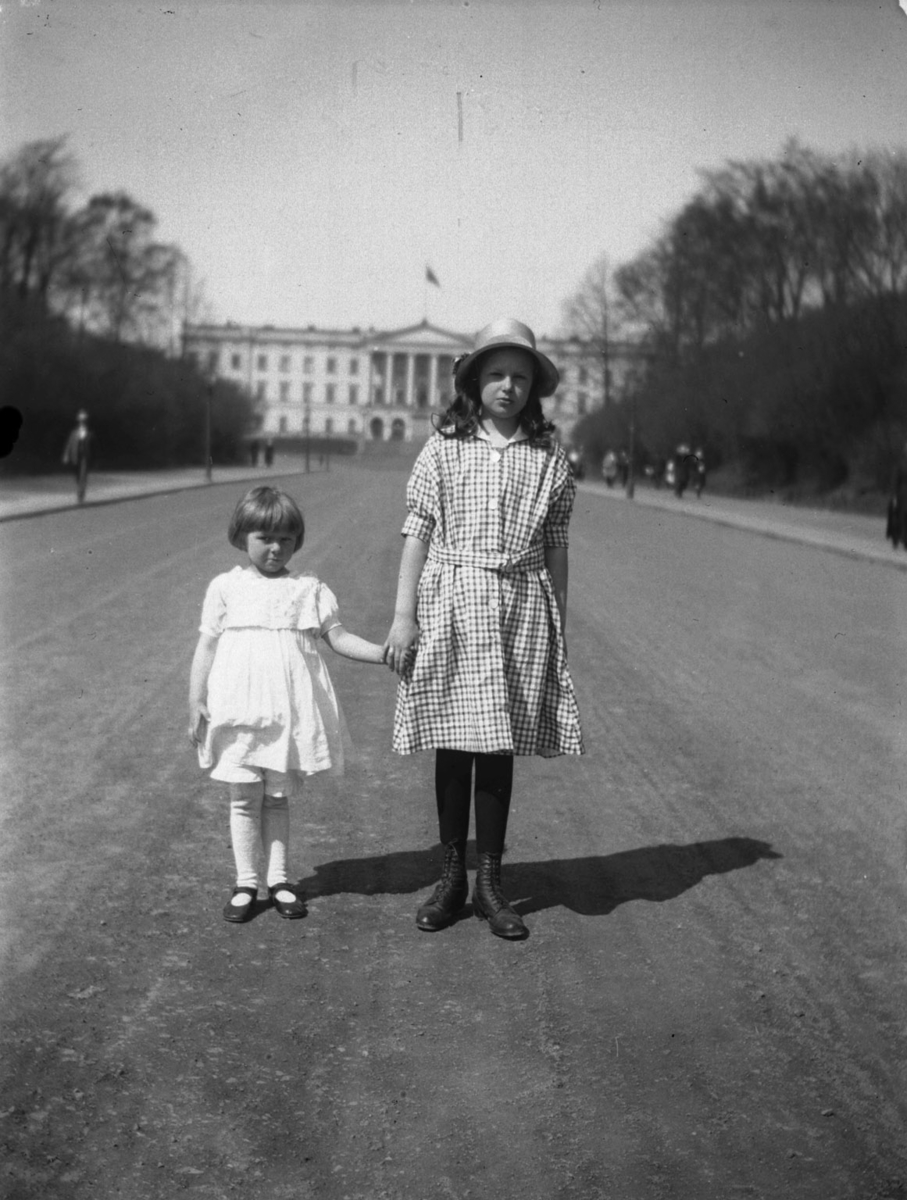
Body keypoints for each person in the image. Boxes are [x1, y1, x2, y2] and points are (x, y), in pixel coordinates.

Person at [383, 318, 584, 941]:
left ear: (534, 389)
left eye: (520, 377)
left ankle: (492, 882)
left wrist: (560, 624)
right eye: (496, 374)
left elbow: (556, 547)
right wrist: (403, 614)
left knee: (497, 744)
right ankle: (451, 878)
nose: (508, 387)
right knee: (455, 739)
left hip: (519, 603)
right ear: (474, 381)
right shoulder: (445, 446)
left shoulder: (549, 457)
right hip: (452, 601)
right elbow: (418, 531)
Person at [188, 485, 387, 923]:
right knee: (243, 797)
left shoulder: (308, 589)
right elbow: (206, 645)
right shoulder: (226, 587)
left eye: (286, 539)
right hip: (237, 710)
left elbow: (338, 638)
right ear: (242, 537)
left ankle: (278, 880)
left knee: (276, 799)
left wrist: (383, 652)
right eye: (264, 538)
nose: (275, 548)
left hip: (286, 714)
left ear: (297, 540)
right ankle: (246, 883)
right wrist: (195, 699)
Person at [62, 410, 93, 503]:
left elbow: (95, 448)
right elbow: (69, 444)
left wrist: (93, 458)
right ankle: (81, 490)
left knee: (83, 476)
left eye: (84, 420)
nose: (82, 422)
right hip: (75, 457)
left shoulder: (90, 433)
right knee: (77, 476)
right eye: (81, 420)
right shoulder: (74, 432)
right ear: (79, 421)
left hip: (85, 458)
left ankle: (80, 495)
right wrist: (66, 455)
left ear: (86, 421)